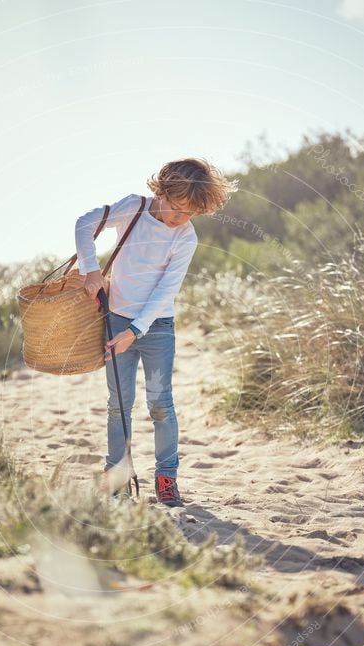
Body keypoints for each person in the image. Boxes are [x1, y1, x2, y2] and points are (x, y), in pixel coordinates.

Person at [74, 158, 237, 506]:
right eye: (176, 207)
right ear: (161, 191)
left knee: (160, 404)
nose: (179, 218)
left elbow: (166, 290)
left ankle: (166, 478)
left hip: (157, 328)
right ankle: (116, 479)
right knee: (119, 405)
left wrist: (135, 330)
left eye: (189, 213)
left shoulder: (185, 237)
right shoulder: (133, 208)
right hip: (115, 320)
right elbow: (84, 223)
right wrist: (90, 271)